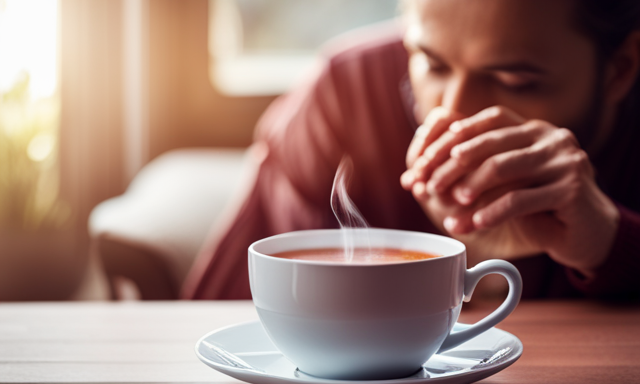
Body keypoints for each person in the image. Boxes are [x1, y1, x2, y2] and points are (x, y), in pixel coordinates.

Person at [182, 0, 640, 300]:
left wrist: (611, 241)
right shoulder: (346, 93)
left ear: (620, 70)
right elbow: (228, 310)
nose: (453, 111)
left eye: (514, 82)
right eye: (432, 63)